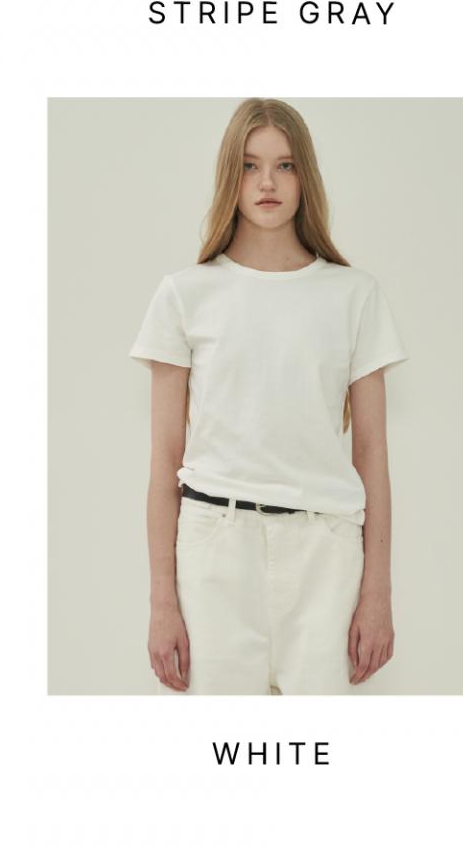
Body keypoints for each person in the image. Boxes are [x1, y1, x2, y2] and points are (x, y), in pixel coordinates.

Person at [135, 101, 400, 698]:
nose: (267, 183)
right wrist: (161, 602)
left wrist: (377, 592)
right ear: (230, 177)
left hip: (326, 550)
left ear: (306, 177)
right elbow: (164, 460)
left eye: (285, 165)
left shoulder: (354, 295)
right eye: (250, 166)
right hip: (214, 547)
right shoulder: (184, 295)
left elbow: (372, 453)